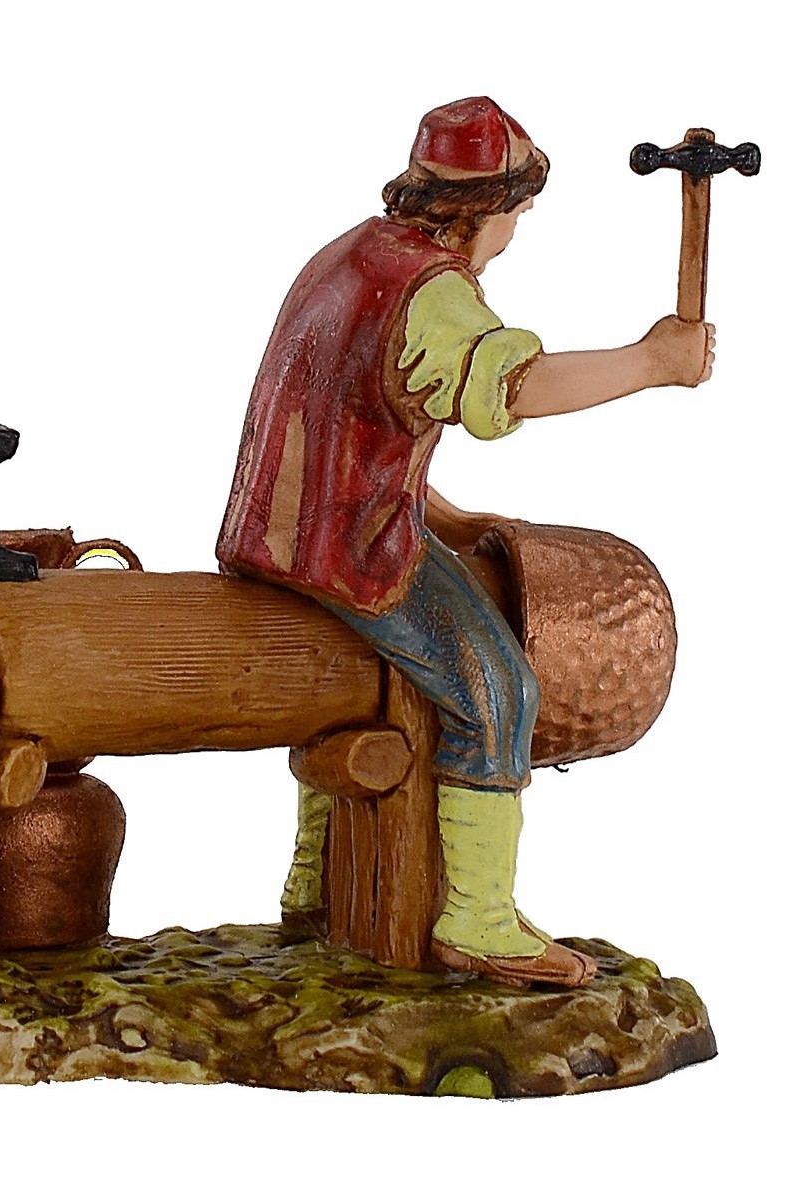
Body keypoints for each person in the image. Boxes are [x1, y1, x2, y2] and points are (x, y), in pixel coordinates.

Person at [216, 96, 714, 987]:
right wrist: (650, 363)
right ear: (485, 208)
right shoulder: (432, 293)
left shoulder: (353, 254)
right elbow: (511, 388)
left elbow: (352, 420)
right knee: (498, 692)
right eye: (519, 213)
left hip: (280, 529)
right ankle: (479, 922)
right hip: (346, 550)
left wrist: (437, 513)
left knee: (356, 699)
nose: (517, 233)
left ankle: (313, 884)